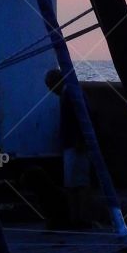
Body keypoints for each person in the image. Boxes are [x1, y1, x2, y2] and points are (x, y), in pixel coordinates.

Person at [45, 68, 91, 227]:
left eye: (50, 87)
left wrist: (79, 140)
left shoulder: (69, 94)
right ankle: (79, 217)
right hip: (74, 143)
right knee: (76, 183)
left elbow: (78, 118)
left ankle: (80, 218)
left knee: (76, 184)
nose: (51, 91)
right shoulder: (71, 93)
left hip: (74, 144)